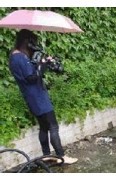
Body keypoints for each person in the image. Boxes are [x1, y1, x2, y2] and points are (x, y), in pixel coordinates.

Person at [8, 29, 78, 164]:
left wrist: (42, 63)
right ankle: (61, 156)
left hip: (32, 97)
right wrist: (43, 65)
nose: (34, 45)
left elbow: (30, 71)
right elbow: (31, 77)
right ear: (27, 41)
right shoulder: (19, 58)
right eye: (32, 42)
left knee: (44, 127)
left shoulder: (15, 56)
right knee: (53, 126)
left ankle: (46, 155)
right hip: (38, 97)